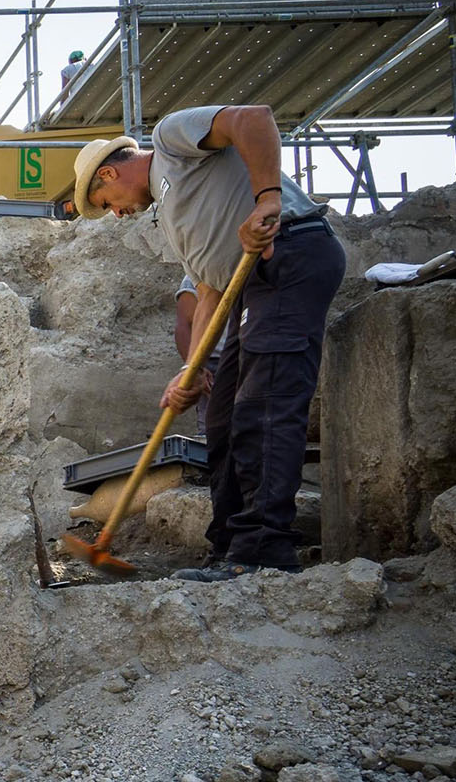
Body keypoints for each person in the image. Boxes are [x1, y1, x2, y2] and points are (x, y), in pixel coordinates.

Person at [72, 105, 343, 581]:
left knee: (266, 404)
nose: (118, 213)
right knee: (222, 418)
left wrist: (267, 199)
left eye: (109, 202)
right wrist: (192, 369)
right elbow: (209, 291)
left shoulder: (173, 140)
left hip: (291, 256)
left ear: (110, 172)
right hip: (248, 286)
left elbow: (254, 119)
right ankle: (230, 546)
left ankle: (264, 554)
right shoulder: (174, 214)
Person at [173, 272, 223, 437]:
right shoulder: (197, 274)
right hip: (213, 364)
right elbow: (183, 327)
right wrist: (196, 369)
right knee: (214, 429)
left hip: (249, 357)